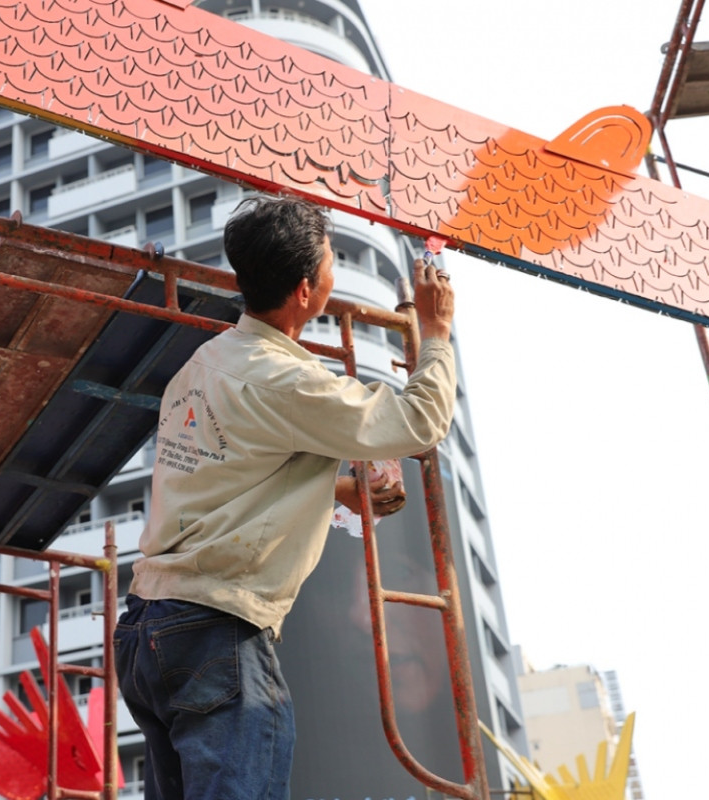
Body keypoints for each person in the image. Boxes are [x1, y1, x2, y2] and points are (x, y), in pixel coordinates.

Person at [113, 195, 457, 799]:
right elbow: (420, 421)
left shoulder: (201, 365)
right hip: (217, 630)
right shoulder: (290, 381)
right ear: (306, 290)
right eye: (330, 262)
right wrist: (435, 332)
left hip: (148, 628)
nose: (333, 271)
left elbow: (234, 481)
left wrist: (344, 490)